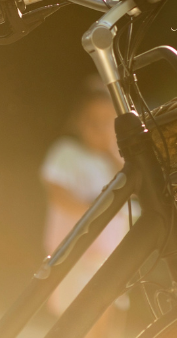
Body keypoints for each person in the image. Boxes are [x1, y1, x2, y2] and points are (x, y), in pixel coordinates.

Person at [40, 78, 130, 338]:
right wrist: (92, 212)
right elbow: (57, 192)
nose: (99, 128)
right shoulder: (67, 152)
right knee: (76, 318)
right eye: (92, 120)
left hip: (109, 256)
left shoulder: (116, 163)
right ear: (78, 120)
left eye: (107, 122)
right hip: (75, 255)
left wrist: (113, 154)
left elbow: (133, 188)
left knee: (108, 313)